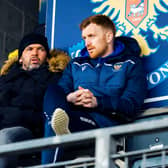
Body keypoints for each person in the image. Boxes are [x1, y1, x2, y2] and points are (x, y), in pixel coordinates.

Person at [44, 14, 147, 163]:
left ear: (109, 36)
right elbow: (61, 91)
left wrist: (97, 102)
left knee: (55, 123)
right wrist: (70, 98)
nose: (87, 43)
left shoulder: (131, 64)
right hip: (73, 115)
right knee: (53, 92)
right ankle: (61, 126)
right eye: (84, 38)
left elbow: (131, 105)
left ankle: (61, 131)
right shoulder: (76, 65)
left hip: (103, 124)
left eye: (91, 36)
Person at [0, 33, 61, 168]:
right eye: (29, 49)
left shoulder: (54, 79)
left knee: (4, 138)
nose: (35, 53)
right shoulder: (4, 79)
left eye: (40, 49)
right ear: (20, 58)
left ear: (46, 58)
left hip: (27, 131)